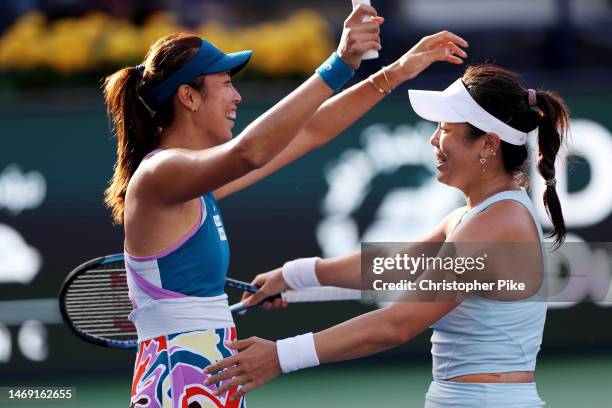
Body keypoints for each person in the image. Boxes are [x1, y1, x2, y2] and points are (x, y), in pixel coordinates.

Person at [102, 2, 468, 406]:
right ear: (188, 97)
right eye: (225, 81)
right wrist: (339, 63)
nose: (236, 95)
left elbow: (311, 130)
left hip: (206, 377)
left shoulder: (192, 181)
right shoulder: (160, 174)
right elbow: (249, 153)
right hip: (177, 381)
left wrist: (396, 71)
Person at [204, 64, 570, 407]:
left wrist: (281, 356)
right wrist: (293, 276)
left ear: (489, 144)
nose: (433, 140)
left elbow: (398, 323)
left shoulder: (494, 226)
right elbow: (389, 265)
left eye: (445, 129)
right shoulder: (474, 217)